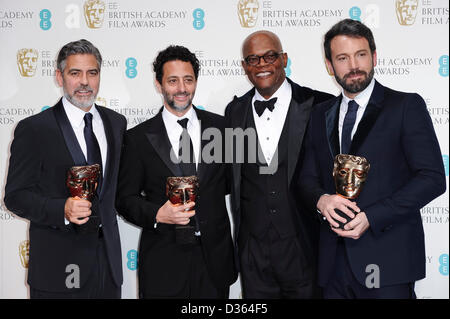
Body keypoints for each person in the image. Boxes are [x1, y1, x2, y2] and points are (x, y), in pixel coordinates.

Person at [299, 19, 446, 299]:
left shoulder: (405, 106)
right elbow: (306, 179)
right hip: (333, 266)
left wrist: (372, 217)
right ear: (330, 65)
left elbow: (432, 178)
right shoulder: (319, 114)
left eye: (361, 54)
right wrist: (321, 200)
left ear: (374, 56)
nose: (354, 65)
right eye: (342, 57)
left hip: (388, 262)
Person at [4, 39, 126, 298]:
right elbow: (15, 196)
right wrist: (62, 209)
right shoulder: (34, 129)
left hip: (107, 269)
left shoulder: (116, 123)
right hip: (57, 270)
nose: (85, 82)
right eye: (75, 73)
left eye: (92, 73)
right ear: (59, 77)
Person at [115, 45, 237, 298]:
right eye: (173, 80)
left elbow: (229, 184)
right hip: (163, 262)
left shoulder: (223, 129)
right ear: (159, 84)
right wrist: (157, 213)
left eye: (188, 80)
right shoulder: (137, 139)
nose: (181, 88)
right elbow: (124, 199)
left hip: (214, 261)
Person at [225, 30, 333, 298]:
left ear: (284, 58)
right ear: (244, 67)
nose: (261, 65)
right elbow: (232, 176)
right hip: (253, 251)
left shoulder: (319, 105)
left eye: (269, 56)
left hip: (305, 243)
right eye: (252, 59)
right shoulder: (234, 111)